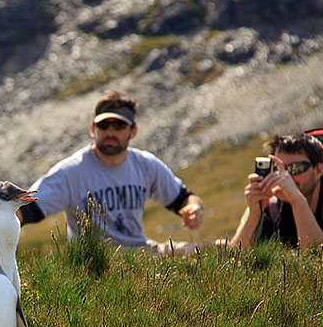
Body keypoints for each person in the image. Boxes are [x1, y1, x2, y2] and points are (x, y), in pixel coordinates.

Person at [17, 90, 204, 250]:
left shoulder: (146, 165)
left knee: (208, 251)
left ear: (133, 131)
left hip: (141, 253)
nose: (110, 132)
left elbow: (184, 198)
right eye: (104, 125)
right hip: (93, 262)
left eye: (119, 125)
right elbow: (28, 209)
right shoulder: (71, 172)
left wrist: (194, 208)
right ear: (93, 129)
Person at [228, 133, 323, 249]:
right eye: (279, 168)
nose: (286, 177)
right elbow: (235, 257)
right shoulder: (268, 204)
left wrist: (296, 200)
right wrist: (255, 214)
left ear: (318, 170)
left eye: (296, 169)